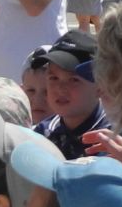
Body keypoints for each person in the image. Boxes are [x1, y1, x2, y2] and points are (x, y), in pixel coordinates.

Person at [32, 30, 111, 161]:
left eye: (74, 80)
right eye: (54, 78)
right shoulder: (42, 134)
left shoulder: (114, 137)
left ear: (100, 86)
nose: (60, 89)